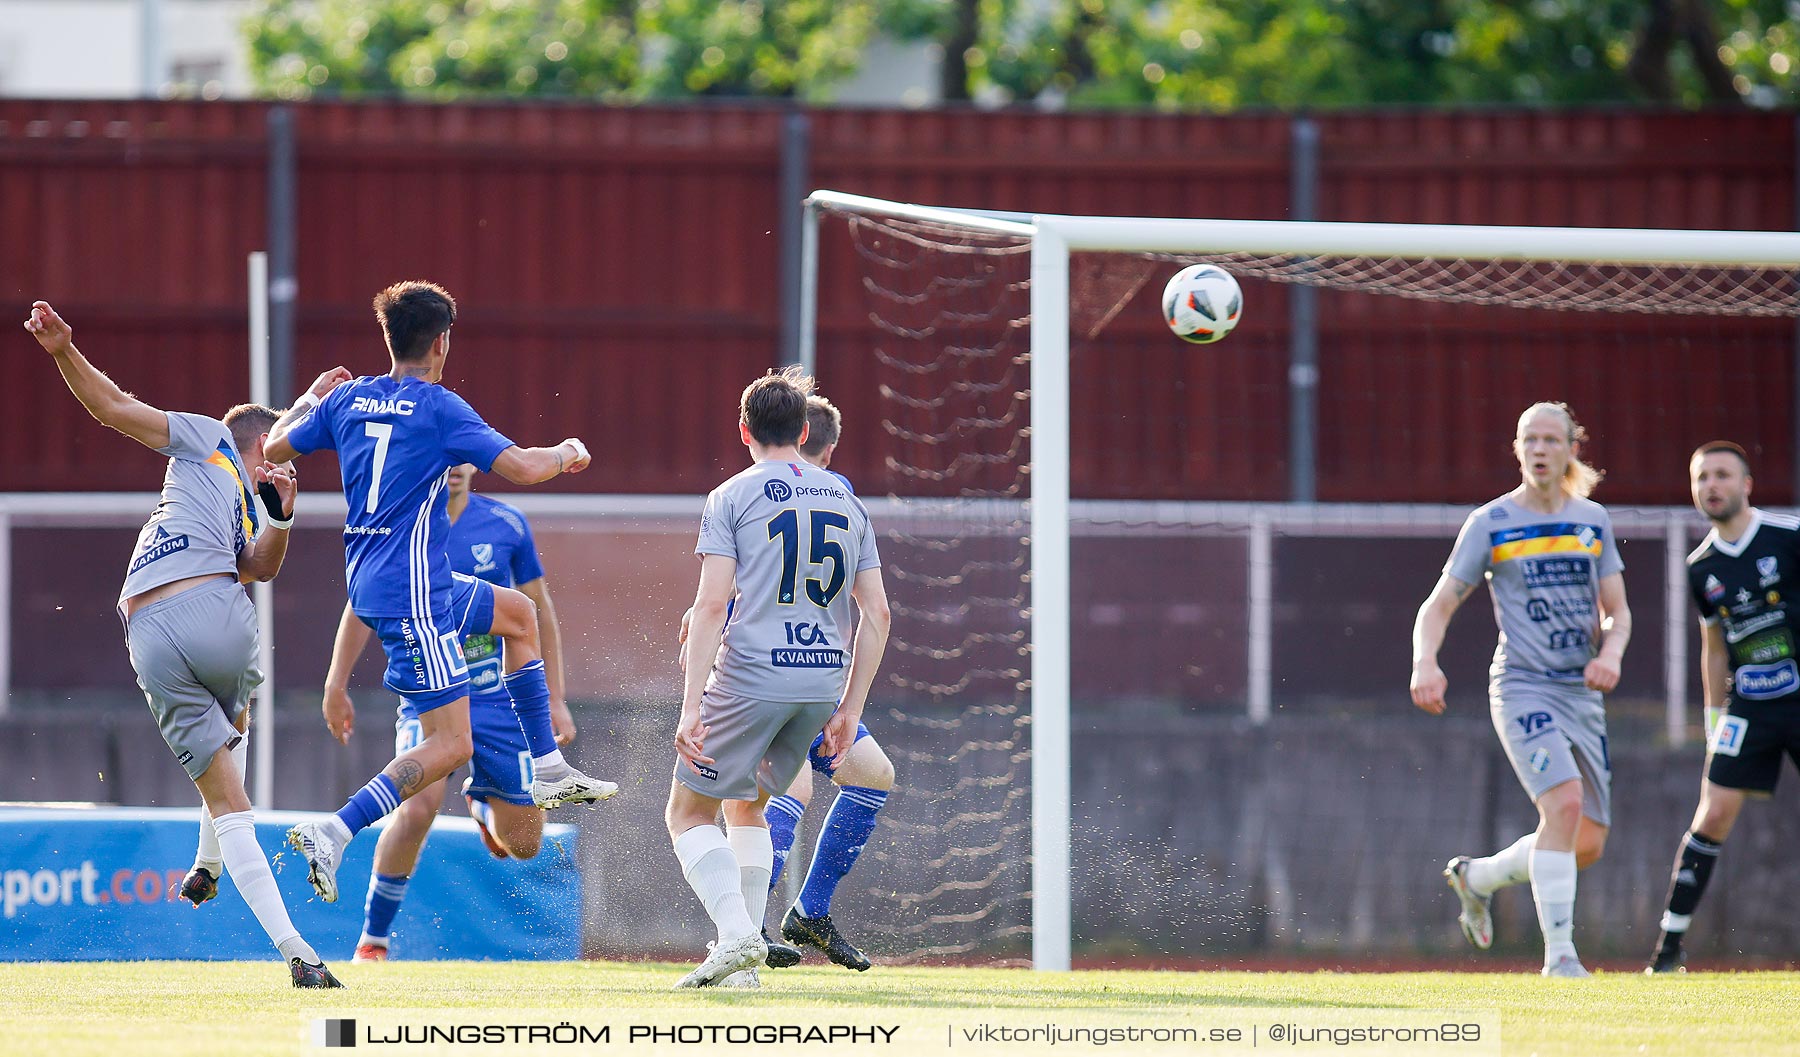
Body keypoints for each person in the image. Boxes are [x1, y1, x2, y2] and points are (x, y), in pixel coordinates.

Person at [263, 280, 615, 905]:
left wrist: (309, 396)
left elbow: (272, 444)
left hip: (380, 579)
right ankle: (334, 830)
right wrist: (569, 451)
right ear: (443, 343)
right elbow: (528, 468)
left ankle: (550, 770)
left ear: (388, 339)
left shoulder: (346, 398)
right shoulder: (439, 408)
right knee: (452, 744)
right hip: (414, 591)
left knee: (517, 613)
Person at [23, 300, 341, 988]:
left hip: (147, 630)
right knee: (242, 720)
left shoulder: (224, 474)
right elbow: (258, 562)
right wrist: (65, 351)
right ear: (261, 445)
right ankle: (257, 910)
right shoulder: (217, 445)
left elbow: (257, 558)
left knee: (230, 794)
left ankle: (240, 894)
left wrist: (61, 352)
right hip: (213, 612)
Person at [666, 367, 891, 989]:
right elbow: (878, 614)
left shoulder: (731, 495)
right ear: (803, 429)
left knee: (686, 814)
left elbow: (712, 607)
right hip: (819, 681)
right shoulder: (846, 499)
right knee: (748, 809)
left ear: (744, 431)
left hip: (750, 677)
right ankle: (743, 969)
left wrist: (691, 705)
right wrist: (848, 707)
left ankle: (739, 936)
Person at [1410, 401, 1632, 978]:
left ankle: (1478, 877)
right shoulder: (1491, 523)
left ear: (1571, 449)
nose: (1539, 450)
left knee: (1585, 842)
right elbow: (1439, 603)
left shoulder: (1593, 522)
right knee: (1562, 804)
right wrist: (1424, 662)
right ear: (1517, 449)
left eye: (1550, 440)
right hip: (1523, 687)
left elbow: (1619, 612)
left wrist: (1610, 653)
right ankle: (1560, 960)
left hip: (1580, 694)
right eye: (1528, 439)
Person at [321, 462, 577, 961]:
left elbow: (538, 612)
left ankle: (482, 801)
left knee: (525, 845)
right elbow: (359, 604)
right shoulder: (404, 522)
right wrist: (336, 683)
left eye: (463, 457)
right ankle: (373, 939)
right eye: (444, 457)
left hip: (495, 697)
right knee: (417, 807)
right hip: (430, 692)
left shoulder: (506, 525)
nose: (454, 468)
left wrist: (555, 699)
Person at [1646, 442, 1800, 973]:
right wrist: (1714, 722)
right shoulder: (1700, 567)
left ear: (1747, 484)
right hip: (1749, 707)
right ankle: (1668, 950)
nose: (1711, 485)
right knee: (1711, 815)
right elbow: (1714, 648)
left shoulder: (1789, 537)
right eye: (1702, 477)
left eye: (1722, 475)